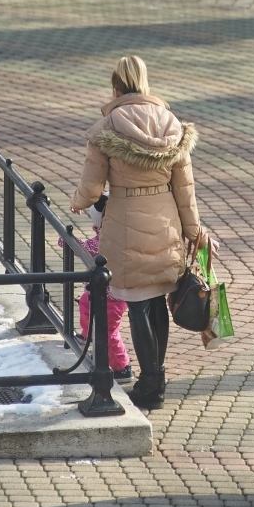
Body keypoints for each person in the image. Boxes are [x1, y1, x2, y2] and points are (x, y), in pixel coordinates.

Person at [70, 55, 209, 410]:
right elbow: (185, 189)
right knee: (159, 299)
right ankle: (156, 380)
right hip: (166, 223)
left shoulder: (107, 127)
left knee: (137, 304)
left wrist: (78, 201)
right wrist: (193, 230)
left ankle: (149, 384)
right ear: (145, 84)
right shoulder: (172, 124)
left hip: (126, 222)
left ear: (115, 87)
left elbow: (91, 186)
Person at [62, 195, 133, 382]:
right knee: (85, 304)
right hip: (98, 292)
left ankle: (122, 367)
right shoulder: (117, 234)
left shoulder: (106, 240)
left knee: (109, 332)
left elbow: (85, 249)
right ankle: (88, 337)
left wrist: (68, 242)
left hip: (113, 296)